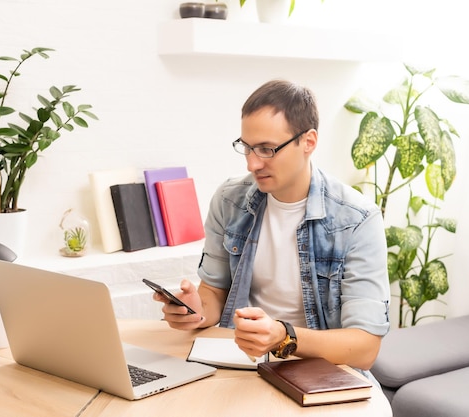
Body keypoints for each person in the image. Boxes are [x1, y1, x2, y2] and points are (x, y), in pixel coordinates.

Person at [153, 79, 390, 376]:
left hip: (319, 373)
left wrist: (282, 336)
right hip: (239, 363)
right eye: (247, 147)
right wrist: (195, 310)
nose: (252, 164)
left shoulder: (356, 219)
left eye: (267, 149)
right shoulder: (230, 200)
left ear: (309, 141)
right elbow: (213, 292)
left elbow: (365, 348)